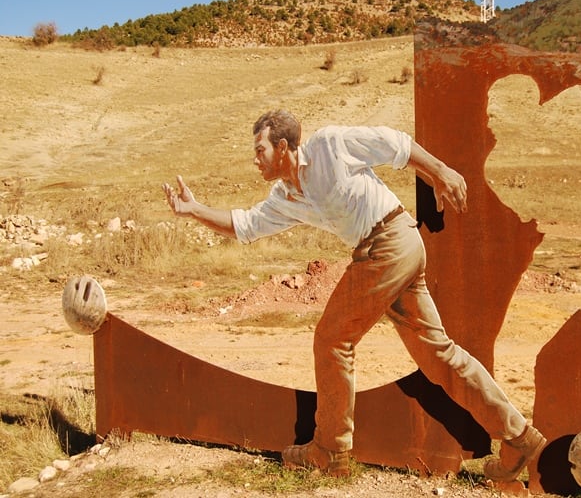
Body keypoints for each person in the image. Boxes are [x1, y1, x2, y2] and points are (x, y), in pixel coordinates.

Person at [162, 109, 545, 481]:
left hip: (389, 243)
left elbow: (395, 145)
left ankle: (329, 451)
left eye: (259, 150)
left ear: (282, 147)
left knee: (332, 339)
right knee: (438, 355)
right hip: (392, 249)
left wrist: (439, 171)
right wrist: (194, 211)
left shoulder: (330, 145)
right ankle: (519, 437)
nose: (255, 160)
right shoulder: (287, 196)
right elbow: (245, 225)